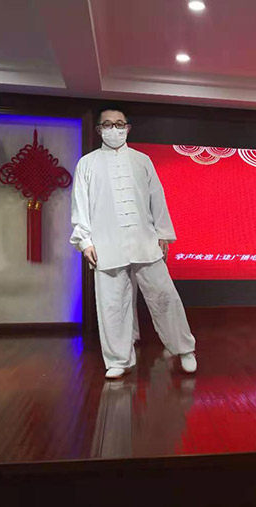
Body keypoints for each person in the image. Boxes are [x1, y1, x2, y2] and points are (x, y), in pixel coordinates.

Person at [70, 107, 197, 379]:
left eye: (119, 124)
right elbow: (80, 203)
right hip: (106, 243)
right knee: (112, 305)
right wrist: (85, 240)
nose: (113, 129)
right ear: (99, 130)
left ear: (127, 128)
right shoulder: (87, 163)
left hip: (145, 240)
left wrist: (163, 233)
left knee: (164, 296)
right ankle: (118, 359)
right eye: (107, 124)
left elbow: (156, 198)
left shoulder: (142, 160)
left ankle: (184, 349)